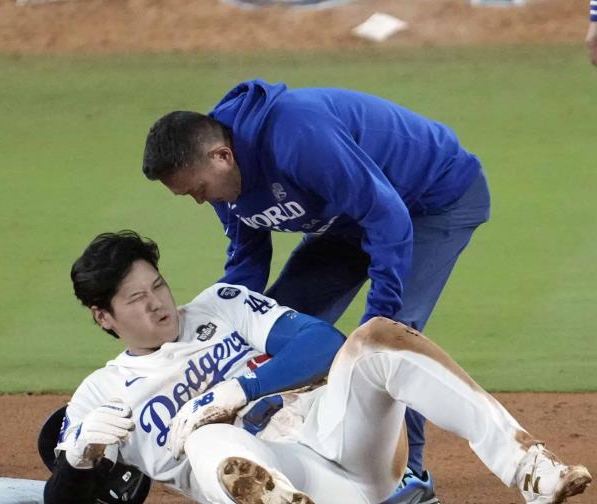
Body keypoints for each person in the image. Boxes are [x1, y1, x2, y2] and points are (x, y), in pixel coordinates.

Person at [44, 230, 591, 504]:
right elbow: (63, 501)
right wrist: (79, 457)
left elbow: (321, 343)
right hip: (287, 475)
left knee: (375, 338)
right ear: (104, 317)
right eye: (137, 299)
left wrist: (240, 386)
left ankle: (529, 467)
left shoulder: (221, 304)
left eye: (158, 284)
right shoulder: (101, 394)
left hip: (344, 440)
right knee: (206, 442)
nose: (159, 302)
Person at [141, 79, 493, 501]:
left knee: (388, 343)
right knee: (282, 320)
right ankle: (290, 447)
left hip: (434, 199)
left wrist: (375, 326)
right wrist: (215, 327)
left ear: (222, 156)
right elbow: (247, 263)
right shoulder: (222, 175)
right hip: (353, 216)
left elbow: (388, 218)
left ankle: (406, 474)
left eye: (198, 190)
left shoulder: (297, 135)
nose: (201, 201)